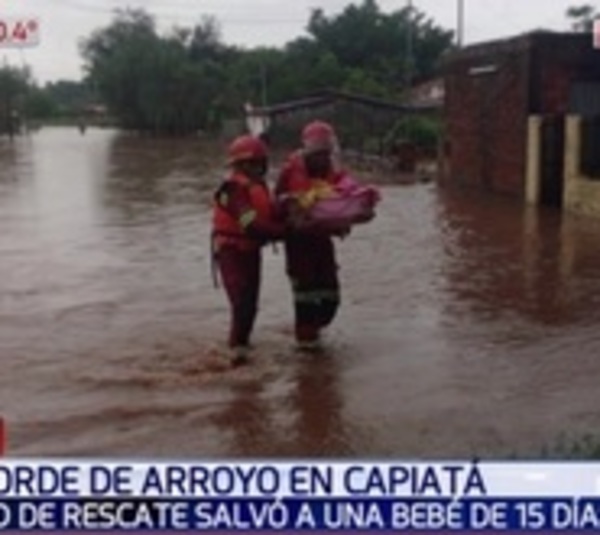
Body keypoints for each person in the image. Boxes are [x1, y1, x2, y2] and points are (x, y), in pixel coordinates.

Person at [276, 120, 353, 351]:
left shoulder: (331, 171)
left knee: (331, 298)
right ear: (309, 152)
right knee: (305, 298)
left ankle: (312, 334)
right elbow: (276, 203)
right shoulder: (290, 171)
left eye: (327, 153)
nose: (324, 158)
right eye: (320, 153)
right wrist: (291, 208)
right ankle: (307, 354)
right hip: (299, 245)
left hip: (322, 241)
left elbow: (343, 198)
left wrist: (344, 222)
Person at [212, 134, 286, 365]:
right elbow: (251, 224)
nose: (260, 168)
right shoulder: (230, 190)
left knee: (250, 305)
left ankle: (242, 348)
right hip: (232, 253)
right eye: (255, 163)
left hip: (250, 251)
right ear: (241, 165)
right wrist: (289, 232)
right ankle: (236, 353)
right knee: (242, 303)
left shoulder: (258, 187)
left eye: (261, 163)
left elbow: (270, 217)